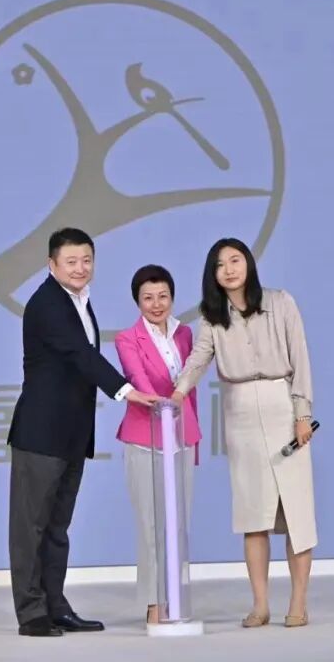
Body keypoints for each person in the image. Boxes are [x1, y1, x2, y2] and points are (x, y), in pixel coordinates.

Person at [7, 228, 159, 637]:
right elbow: (79, 354)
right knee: (30, 528)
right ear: (51, 264)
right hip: (40, 434)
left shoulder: (79, 301)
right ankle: (31, 614)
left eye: (86, 260)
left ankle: (55, 606)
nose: (80, 268)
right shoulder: (47, 303)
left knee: (57, 528)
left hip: (72, 434)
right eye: (71, 261)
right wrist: (126, 390)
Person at [170, 238, 317, 628]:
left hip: (282, 406)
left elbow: (300, 357)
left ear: (248, 263)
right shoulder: (213, 316)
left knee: (297, 513)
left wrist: (302, 413)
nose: (229, 269)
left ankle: (299, 602)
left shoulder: (281, 302)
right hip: (240, 414)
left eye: (235, 260)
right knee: (253, 514)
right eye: (220, 265)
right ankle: (260, 605)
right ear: (212, 275)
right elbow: (199, 358)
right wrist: (178, 391)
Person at [113, 264, 204, 625]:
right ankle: (154, 602)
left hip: (182, 438)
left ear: (172, 298)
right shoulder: (127, 339)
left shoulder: (185, 334)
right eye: (148, 298)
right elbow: (139, 381)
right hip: (145, 438)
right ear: (137, 301)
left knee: (178, 524)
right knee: (151, 525)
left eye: (163, 296)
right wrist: (163, 406)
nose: (156, 304)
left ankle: (176, 599)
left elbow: (190, 388)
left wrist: (192, 434)